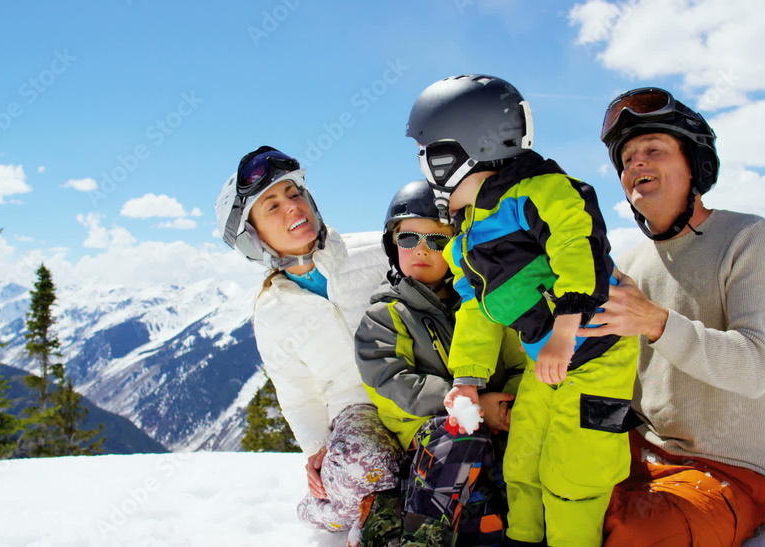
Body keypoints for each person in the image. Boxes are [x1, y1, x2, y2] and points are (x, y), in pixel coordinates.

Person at [406, 74, 639, 546]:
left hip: (595, 353)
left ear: (463, 152)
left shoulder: (541, 192)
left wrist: (566, 330)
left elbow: (580, 249)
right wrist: (466, 380)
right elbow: (476, 310)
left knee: (573, 475)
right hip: (546, 360)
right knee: (523, 463)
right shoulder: (470, 231)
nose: (426, 171)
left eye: (429, 155)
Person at [585, 87, 765, 546]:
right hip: (638, 454)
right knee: (544, 500)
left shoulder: (750, 238)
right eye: (627, 159)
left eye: (654, 150)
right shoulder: (630, 264)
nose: (636, 164)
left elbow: (755, 368)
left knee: (632, 535)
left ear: (695, 165)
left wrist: (656, 322)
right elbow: (618, 380)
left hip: (727, 473)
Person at [215, 146, 402, 545]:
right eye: (272, 206)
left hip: (413, 386)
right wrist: (318, 450)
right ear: (252, 237)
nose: (292, 207)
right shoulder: (272, 310)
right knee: (359, 465)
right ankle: (329, 509)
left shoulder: (379, 251)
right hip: (356, 411)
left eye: (294, 193)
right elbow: (297, 393)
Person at [355, 180, 526, 545]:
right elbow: (392, 381)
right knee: (462, 432)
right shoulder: (385, 315)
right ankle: (421, 539)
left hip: (495, 428)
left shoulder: (484, 307)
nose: (421, 249)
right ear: (392, 245)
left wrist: (508, 408)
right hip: (428, 440)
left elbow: (519, 366)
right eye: (408, 238)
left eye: (437, 241)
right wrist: (473, 407)